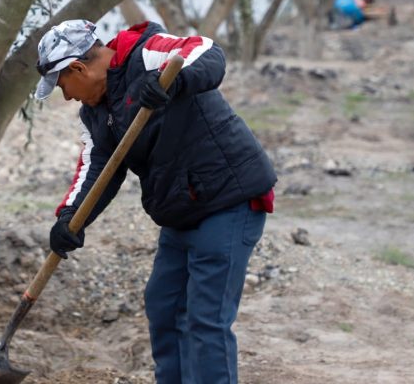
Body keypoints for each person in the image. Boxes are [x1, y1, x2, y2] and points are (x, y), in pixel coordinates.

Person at [34, 19, 277, 384]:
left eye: (62, 85)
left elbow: (208, 52)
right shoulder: (96, 113)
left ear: (78, 67)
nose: (66, 96)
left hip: (227, 199)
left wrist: (172, 81)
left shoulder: (145, 53)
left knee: (206, 319)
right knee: (164, 307)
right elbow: (96, 167)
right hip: (179, 211)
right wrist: (69, 218)